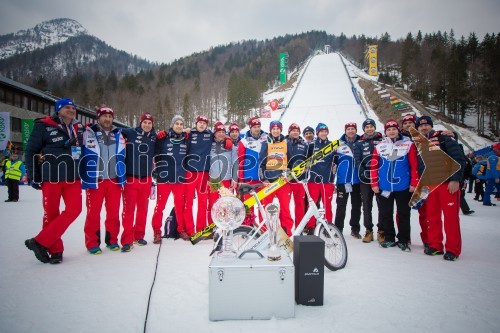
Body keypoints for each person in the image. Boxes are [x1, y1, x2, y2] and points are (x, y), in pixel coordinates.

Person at [24, 97, 84, 264]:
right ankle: (56, 249)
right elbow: (30, 152)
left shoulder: (78, 128)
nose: (71, 110)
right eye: (66, 107)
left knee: (75, 209)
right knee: (51, 214)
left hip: (73, 176)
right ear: (58, 110)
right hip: (51, 176)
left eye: (73, 108)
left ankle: (39, 241)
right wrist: (33, 174)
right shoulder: (43, 125)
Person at [416, 116, 465, 261]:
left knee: (450, 218)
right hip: (430, 185)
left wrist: (456, 179)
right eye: (421, 126)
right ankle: (435, 245)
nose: (424, 128)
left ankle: (452, 249)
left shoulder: (443, 138)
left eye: (426, 125)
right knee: (432, 216)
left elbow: (458, 158)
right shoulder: (418, 143)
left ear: (431, 126)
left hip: (447, 183)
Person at [81, 106, 126, 254]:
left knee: (113, 213)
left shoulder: (118, 133)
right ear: (98, 117)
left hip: (114, 179)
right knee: (93, 213)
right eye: (104, 116)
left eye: (110, 116)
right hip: (96, 180)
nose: (107, 119)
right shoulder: (88, 132)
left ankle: (112, 240)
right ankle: (92, 243)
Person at [371, 120, 418, 251]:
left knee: (403, 213)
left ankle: (403, 239)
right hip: (385, 186)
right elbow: (374, 166)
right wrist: (374, 183)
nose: (391, 131)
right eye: (389, 129)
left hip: (403, 186)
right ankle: (389, 238)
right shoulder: (380, 146)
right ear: (385, 132)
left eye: (394, 129)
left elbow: (414, 165)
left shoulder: (408, 144)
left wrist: (414, 182)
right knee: (386, 213)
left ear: (398, 130)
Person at [120, 112, 157, 252]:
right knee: (128, 210)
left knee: (143, 209)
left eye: (149, 123)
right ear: (140, 123)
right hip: (131, 177)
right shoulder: (130, 132)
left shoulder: (154, 137)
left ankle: (138, 235)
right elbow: (113, 130)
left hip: (146, 178)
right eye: (145, 122)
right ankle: (127, 240)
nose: (147, 125)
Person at [152, 115, 190, 241]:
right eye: (177, 124)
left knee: (180, 206)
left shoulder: (186, 139)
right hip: (165, 179)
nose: (179, 126)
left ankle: (181, 230)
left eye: (181, 124)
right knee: (160, 206)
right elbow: (154, 152)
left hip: (180, 179)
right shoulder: (163, 138)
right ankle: (157, 231)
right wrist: (157, 171)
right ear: (172, 125)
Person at [259, 120, 295, 235]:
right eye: (273, 129)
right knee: (267, 209)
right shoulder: (266, 143)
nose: (275, 131)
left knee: (285, 209)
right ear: (270, 130)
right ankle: (265, 233)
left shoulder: (286, 143)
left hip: (282, 181)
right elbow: (261, 162)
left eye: (277, 129)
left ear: (281, 130)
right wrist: (263, 178)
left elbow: (291, 161)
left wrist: (289, 173)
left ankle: (286, 233)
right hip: (269, 181)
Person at [354, 118, 384, 243]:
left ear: (374, 127)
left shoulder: (382, 140)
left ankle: (381, 231)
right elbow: (357, 160)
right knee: (366, 205)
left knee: (382, 205)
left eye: (371, 126)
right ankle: (368, 230)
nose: (369, 128)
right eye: (367, 127)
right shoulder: (360, 143)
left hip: (380, 178)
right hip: (365, 179)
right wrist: (362, 173)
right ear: (364, 129)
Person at [184, 115, 213, 233]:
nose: (202, 125)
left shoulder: (210, 135)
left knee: (202, 202)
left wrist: (226, 138)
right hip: (190, 173)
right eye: (200, 122)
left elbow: (221, 135)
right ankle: (189, 229)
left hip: (204, 173)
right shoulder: (189, 134)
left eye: (204, 123)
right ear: (196, 123)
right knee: (188, 202)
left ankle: (202, 229)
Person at [334, 122, 363, 239]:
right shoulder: (338, 144)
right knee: (341, 206)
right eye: (348, 129)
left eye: (353, 129)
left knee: (356, 206)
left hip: (357, 181)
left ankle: (355, 229)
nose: (351, 131)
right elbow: (334, 161)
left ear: (356, 130)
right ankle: (338, 228)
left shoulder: (361, 143)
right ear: (345, 131)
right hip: (343, 181)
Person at [307, 123, 336, 229]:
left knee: (327, 205)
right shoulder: (312, 145)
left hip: (327, 181)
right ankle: (311, 226)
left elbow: (336, 162)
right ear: (317, 133)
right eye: (321, 131)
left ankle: (328, 227)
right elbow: (305, 162)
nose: (323, 133)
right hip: (313, 180)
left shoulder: (332, 145)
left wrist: (333, 176)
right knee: (312, 205)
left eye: (325, 131)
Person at [208, 121, 238, 217]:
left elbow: (235, 161)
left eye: (223, 132)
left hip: (226, 179)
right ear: (214, 133)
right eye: (218, 132)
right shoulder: (209, 144)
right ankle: (212, 228)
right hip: (213, 180)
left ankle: (228, 227)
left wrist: (234, 178)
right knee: (213, 205)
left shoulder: (229, 145)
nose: (221, 134)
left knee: (228, 205)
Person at [286, 123, 310, 229]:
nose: (295, 132)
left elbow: (310, 159)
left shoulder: (304, 144)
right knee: (285, 206)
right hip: (286, 179)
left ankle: (299, 228)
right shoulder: (283, 142)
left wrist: (307, 167)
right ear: (289, 132)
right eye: (293, 130)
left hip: (300, 179)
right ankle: (286, 228)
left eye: (297, 131)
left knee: (300, 205)